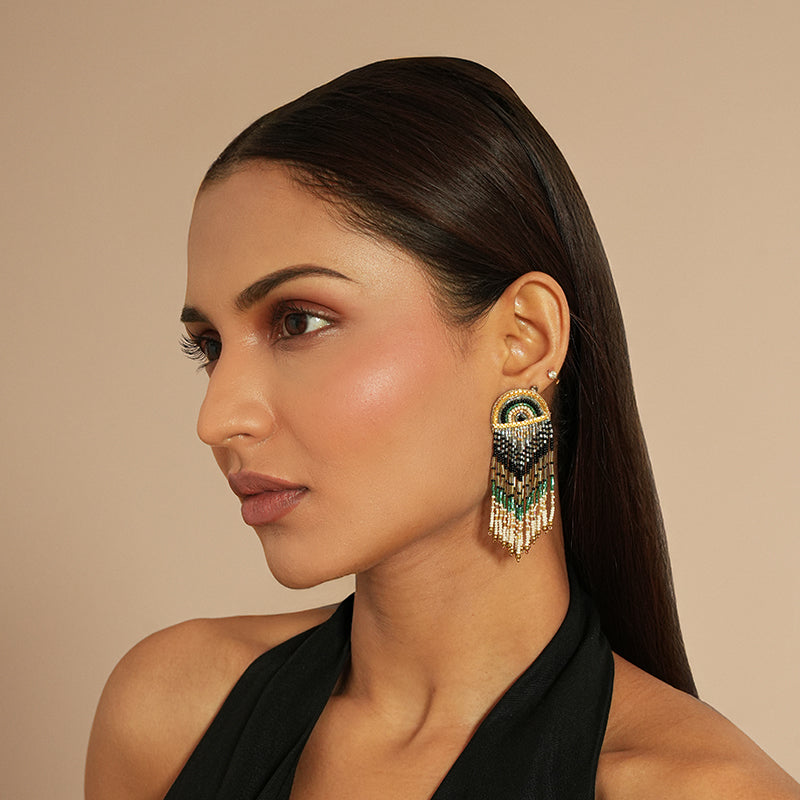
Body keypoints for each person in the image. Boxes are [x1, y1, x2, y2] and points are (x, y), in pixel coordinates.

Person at [85, 57, 799, 799]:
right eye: (209, 346)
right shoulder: (171, 713)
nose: (218, 419)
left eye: (299, 322)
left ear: (522, 339)